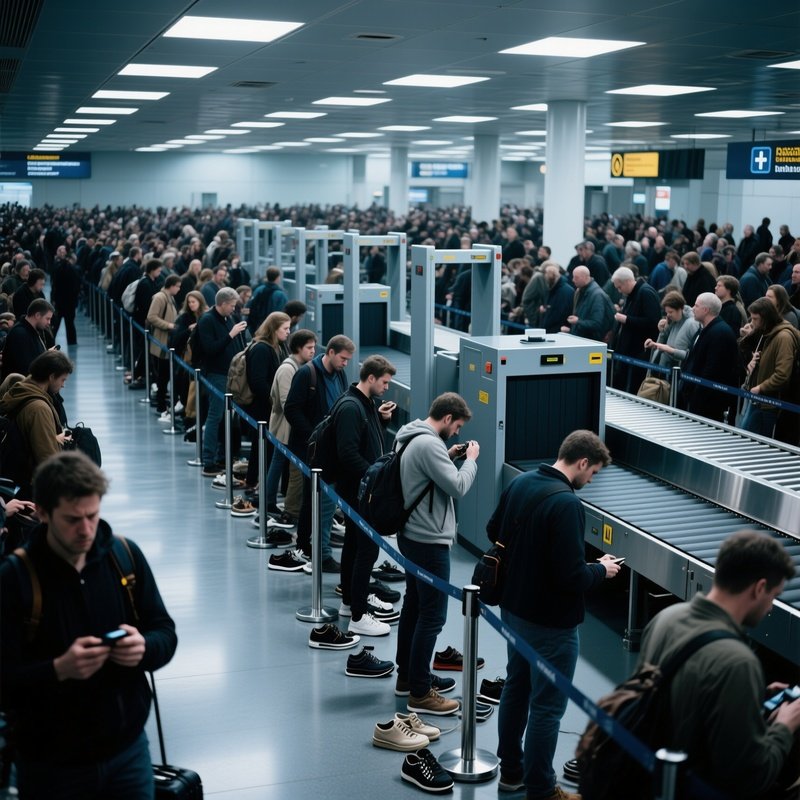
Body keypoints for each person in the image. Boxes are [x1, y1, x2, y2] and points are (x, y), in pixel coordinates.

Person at [0, 451, 177, 799]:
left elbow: (164, 633)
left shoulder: (124, 557)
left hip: (129, 753)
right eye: (72, 519)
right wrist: (57, 669)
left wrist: (144, 647)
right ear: (43, 513)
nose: (86, 530)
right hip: (51, 766)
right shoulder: (14, 579)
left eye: (93, 516)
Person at [490, 430, 619, 800]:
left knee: (516, 687)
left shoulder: (522, 482)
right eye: (592, 472)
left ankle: (511, 773)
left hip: (513, 610)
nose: (590, 480)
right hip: (551, 625)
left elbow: (492, 530)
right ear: (581, 462)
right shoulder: (567, 504)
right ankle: (542, 789)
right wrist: (601, 569)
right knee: (547, 706)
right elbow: (571, 576)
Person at [636, 530, 800, 798]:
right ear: (759, 588)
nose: (771, 607)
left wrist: (750, 696)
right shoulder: (737, 662)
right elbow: (749, 777)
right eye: (773, 595)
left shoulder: (666, 618)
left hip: (653, 774)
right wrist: (785, 725)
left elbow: (683, 695)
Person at [394, 392, 479, 715]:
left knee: (414, 607)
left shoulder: (412, 435)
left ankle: (409, 676)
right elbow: (457, 486)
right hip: (428, 540)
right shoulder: (429, 445)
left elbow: (426, 475)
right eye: (456, 426)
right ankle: (420, 692)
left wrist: (450, 454)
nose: (457, 432)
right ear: (446, 419)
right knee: (432, 616)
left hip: (411, 534)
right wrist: (470, 461)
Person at [277, 334, 355, 572]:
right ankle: (305, 545)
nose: (345, 363)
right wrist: (314, 434)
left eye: (348, 360)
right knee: (312, 497)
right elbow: (291, 408)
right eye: (343, 358)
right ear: (330, 352)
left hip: (330, 448)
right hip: (309, 449)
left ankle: (316, 543)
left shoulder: (340, 374)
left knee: (323, 497)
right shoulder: (306, 374)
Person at [335, 355, 396, 637]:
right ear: (370, 378)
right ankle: (359, 615)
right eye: (384, 382)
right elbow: (347, 453)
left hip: (359, 489)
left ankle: (350, 602)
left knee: (354, 546)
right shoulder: (351, 407)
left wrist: (381, 420)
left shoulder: (365, 404)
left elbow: (366, 442)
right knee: (367, 550)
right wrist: (375, 476)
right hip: (357, 491)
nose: (386, 387)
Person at [265, 328, 318, 537]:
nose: (313, 351)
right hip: (287, 427)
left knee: (279, 463)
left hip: (287, 426)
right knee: (291, 469)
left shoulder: (299, 366)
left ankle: (270, 501)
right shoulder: (289, 369)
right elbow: (288, 403)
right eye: (309, 347)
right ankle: (287, 509)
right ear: (298, 348)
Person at [0, 350, 73, 496]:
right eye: (63, 380)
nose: (63, 385)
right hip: (32, 488)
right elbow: (47, 459)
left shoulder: (20, 389)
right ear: (52, 377)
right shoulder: (39, 409)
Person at [198, 287, 247, 476]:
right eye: (232, 306)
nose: (233, 309)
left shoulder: (228, 318)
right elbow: (210, 349)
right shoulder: (208, 320)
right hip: (216, 375)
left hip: (229, 373)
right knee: (215, 416)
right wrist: (231, 335)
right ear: (223, 303)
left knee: (224, 418)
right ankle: (208, 460)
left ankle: (221, 456)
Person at [737, 297, 800, 438]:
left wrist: (761, 387)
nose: (752, 322)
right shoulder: (767, 332)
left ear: (766, 318)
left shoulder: (783, 337)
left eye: (755, 319)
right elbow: (743, 348)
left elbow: (782, 374)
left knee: (751, 445)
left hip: (767, 404)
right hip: (757, 399)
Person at [243, 311, 291, 490]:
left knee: (264, 446)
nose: (288, 332)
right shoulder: (262, 349)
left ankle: (258, 481)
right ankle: (254, 481)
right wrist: (275, 400)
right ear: (274, 328)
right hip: (262, 407)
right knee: (261, 446)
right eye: (285, 328)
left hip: (269, 406)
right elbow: (258, 382)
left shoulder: (277, 346)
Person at [680, 292, 739, 423]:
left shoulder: (720, 332)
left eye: (696, 305)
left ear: (706, 310)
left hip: (707, 402)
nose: (693, 308)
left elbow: (713, 369)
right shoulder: (705, 329)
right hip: (697, 395)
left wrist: (696, 394)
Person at [610, 266, 661, 393]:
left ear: (627, 281)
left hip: (639, 352)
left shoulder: (646, 293)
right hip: (628, 351)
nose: (619, 290)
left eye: (619, 287)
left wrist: (627, 319)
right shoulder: (632, 293)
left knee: (633, 387)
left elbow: (653, 322)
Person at [145, 274, 180, 416]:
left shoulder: (169, 297)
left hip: (167, 342)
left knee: (165, 375)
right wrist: (169, 325)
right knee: (163, 376)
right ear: (171, 285)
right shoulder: (160, 297)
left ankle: (163, 404)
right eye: (178, 286)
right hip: (162, 343)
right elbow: (151, 316)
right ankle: (161, 406)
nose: (179, 289)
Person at [644, 291, 700, 374]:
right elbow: (662, 342)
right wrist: (662, 331)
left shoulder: (692, 323)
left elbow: (692, 355)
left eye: (670, 312)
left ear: (680, 308)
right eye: (667, 312)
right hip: (665, 367)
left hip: (678, 371)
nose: (668, 315)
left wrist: (670, 350)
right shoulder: (673, 319)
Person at [1, 298, 54, 380]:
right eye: (47, 318)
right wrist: (47, 357)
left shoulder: (31, 330)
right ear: (37, 315)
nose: (49, 322)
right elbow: (26, 368)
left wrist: (47, 354)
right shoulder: (20, 335)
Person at [560, 265, 614, 341]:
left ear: (585, 277)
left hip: (592, 343)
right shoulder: (581, 291)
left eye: (576, 277)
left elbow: (596, 324)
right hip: (585, 340)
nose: (573, 280)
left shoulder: (597, 295)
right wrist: (571, 330)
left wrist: (577, 321)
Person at [50, 245, 82, 346]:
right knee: (70, 323)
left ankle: (50, 341)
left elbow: (54, 284)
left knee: (56, 323)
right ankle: (72, 341)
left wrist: (53, 298)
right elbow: (76, 286)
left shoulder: (57, 267)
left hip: (59, 300)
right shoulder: (73, 269)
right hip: (70, 301)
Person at [247, 267, 288, 335]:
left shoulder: (259, 290)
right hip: (272, 329)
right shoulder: (281, 294)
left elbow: (251, 305)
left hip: (257, 326)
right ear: (278, 277)